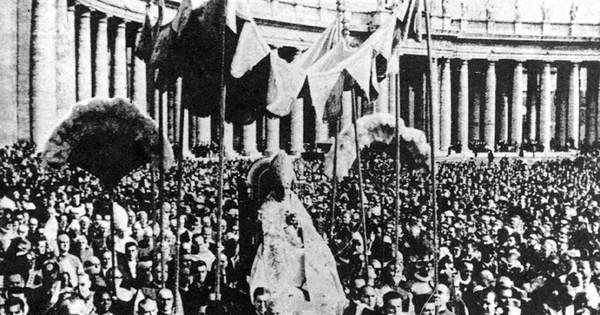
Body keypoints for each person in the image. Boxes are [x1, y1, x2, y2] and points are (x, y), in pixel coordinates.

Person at [248, 152, 346, 314]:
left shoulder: (294, 200)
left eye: (287, 187)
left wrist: (299, 225)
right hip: (279, 247)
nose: (285, 191)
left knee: (323, 259)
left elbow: (308, 229)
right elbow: (269, 231)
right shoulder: (269, 205)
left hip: (301, 247)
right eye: (281, 187)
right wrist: (284, 226)